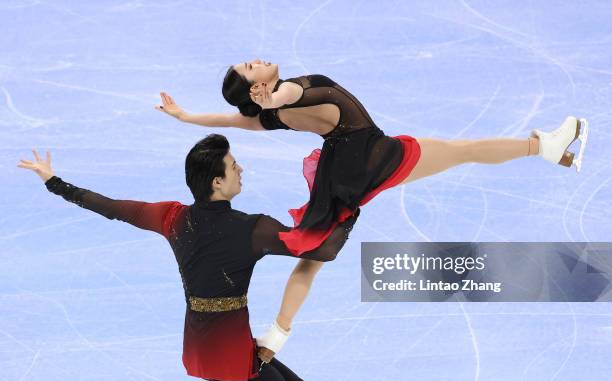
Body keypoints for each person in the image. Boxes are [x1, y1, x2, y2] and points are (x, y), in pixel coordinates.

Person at [17, 134, 358, 381]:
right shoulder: (253, 229)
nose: (241, 170)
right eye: (234, 165)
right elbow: (324, 250)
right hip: (229, 355)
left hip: (205, 347)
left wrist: (54, 182)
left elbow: (111, 208)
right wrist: (352, 206)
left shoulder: (172, 217)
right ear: (217, 182)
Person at [155, 59, 589, 258]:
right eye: (250, 69)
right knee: (464, 151)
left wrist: (186, 115)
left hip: (367, 153)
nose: (255, 60)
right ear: (257, 90)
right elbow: (282, 97)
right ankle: (545, 148)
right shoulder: (283, 100)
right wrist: (270, 101)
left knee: (462, 152)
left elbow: (236, 121)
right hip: (373, 158)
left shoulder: (278, 108)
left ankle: (546, 149)